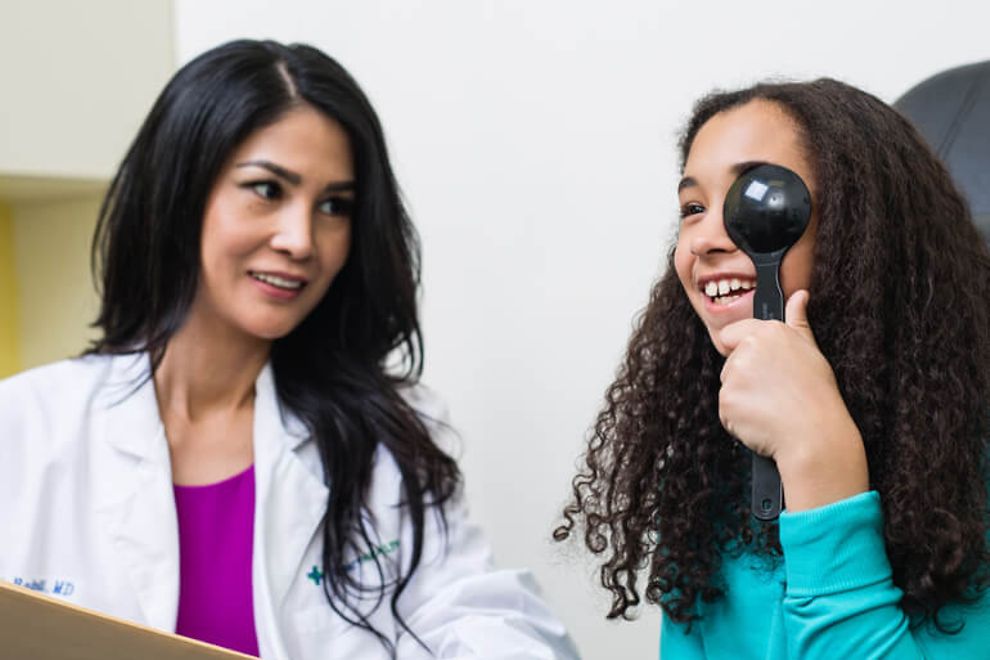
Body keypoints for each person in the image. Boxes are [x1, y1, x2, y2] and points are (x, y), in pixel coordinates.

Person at [0, 39, 578, 660]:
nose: (302, 239)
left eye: (334, 206)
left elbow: (479, 615)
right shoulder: (24, 429)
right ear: (179, 191)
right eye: (267, 190)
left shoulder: (386, 435)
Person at [555, 79, 990, 658]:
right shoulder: (704, 467)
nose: (705, 238)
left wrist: (821, 461)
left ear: (863, 228)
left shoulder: (968, 474)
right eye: (692, 208)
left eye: (756, 199)